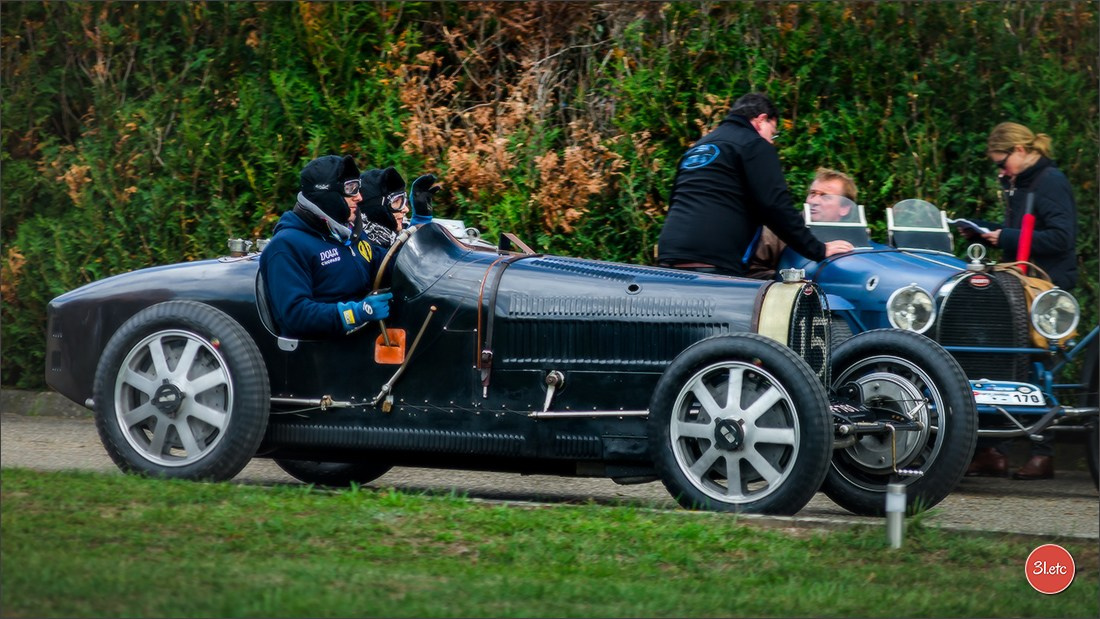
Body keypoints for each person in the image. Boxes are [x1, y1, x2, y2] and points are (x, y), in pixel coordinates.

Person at [963, 122, 1078, 480]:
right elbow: (1025, 233)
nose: (1000, 171)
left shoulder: (1050, 181)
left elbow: (1062, 237)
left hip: (1045, 290)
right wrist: (983, 228)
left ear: (1020, 151)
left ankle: (1042, 453)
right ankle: (991, 451)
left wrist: (1004, 235)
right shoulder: (1023, 183)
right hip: (1021, 285)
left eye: (1002, 162)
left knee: (1035, 366)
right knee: (1004, 364)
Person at [657, 93, 853, 276]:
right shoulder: (754, 144)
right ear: (761, 120)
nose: (771, 141)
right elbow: (774, 205)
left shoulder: (699, 147)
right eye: (772, 133)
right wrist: (818, 249)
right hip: (711, 260)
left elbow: (676, 199)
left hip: (669, 254)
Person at [259, 154, 392, 339]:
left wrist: (421, 259)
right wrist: (356, 312)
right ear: (327, 194)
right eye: (351, 188)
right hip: (321, 353)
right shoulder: (287, 245)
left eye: (358, 187)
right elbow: (294, 315)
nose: (359, 197)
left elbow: (384, 264)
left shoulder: (349, 233)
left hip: (362, 339)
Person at [746, 167, 859, 279]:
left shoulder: (856, 237)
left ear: (844, 208)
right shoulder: (777, 230)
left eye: (825, 196)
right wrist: (789, 280)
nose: (813, 201)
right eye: (812, 194)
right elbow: (749, 272)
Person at [357, 167, 441, 247]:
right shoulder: (362, 247)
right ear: (376, 208)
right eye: (396, 202)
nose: (406, 209)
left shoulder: (394, 236)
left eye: (404, 201)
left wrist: (421, 217)